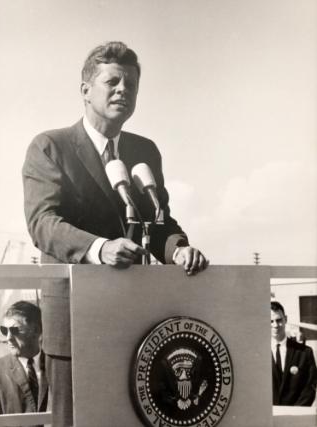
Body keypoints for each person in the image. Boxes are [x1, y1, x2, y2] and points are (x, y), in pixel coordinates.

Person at [22, 41, 207, 426]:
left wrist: (178, 250)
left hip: (135, 315)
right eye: (113, 81)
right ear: (85, 89)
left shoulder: (145, 151)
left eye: (132, 85)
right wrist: (99, 248)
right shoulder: (50, 146)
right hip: (74, 315)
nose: (124, 90)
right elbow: (43, 222)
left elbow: (160, 223)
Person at [0, 301, 48, 418]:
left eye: (15, 330)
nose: (8, 338)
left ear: (36, 330)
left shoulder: (55, 366)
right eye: (4, 330)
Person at [271, 301, 317, 406]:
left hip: (295, 417)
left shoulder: (305, 353)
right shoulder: (258, 355)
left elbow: (310, 387)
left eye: (279, 320)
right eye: (271, 321)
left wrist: (294, 412)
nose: (275, 325)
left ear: (285, 319)